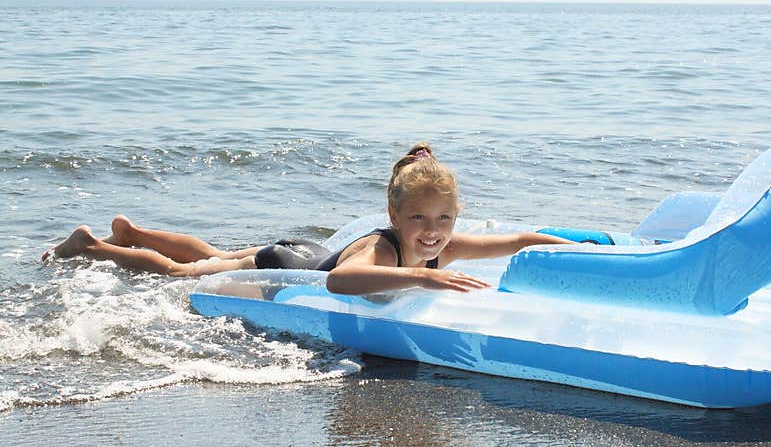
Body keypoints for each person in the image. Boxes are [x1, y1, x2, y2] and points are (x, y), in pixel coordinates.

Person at [41, 143, 574, 294]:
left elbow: (518, 240)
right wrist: (418, 273)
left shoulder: (446, 243)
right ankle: (92, 246)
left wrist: (573, 247)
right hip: (290, 263)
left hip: (304, 251)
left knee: (213, 254)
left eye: (443, 218)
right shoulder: (386, 249)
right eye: (418, 217)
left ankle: (131, 232)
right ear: (393, 213)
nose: (431, 230)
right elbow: (342, 281)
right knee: (190, 273)